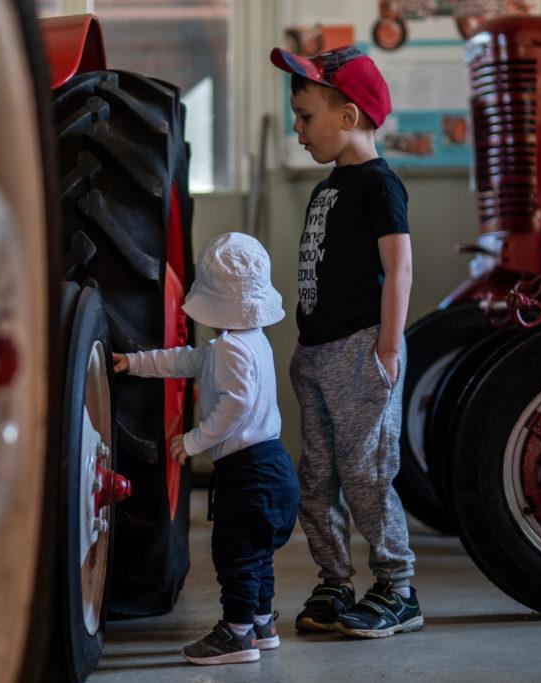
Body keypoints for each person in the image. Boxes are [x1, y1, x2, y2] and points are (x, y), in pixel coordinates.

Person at [270, 44, 422, 639]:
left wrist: (386, 347)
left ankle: (397, 587)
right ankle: (335, 579)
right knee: (318, 478)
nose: (298, 129)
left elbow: (400, 269)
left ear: (349, 116)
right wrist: (306, 348)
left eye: (306, 117)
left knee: (366, 474)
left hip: (362, 350)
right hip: (318, 353)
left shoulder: (380, 186)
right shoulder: (329, 188)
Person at [112, 232, 299, 665]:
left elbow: (236, 405)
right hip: (273, 468)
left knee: (235, 555)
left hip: (249, 474)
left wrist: (193, 440)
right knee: (258, 555)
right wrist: (135, 362)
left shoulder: (229, 350)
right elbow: (184, 359)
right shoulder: (248, 343)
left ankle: (236, 636)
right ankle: (261, 622)